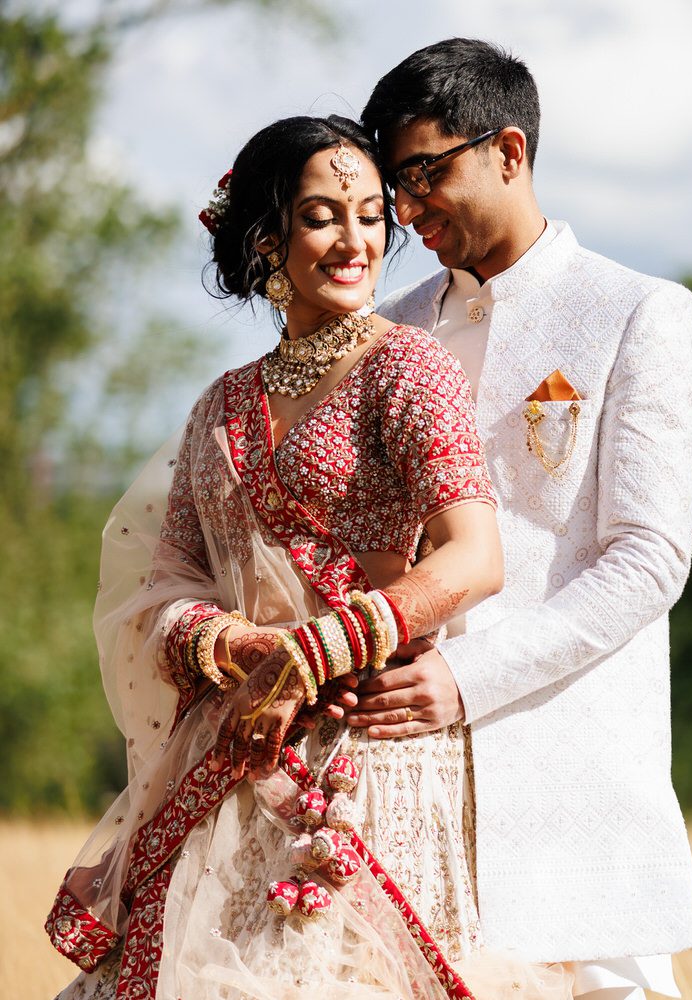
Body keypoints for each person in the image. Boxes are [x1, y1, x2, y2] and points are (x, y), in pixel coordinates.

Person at [45, 114, 570, 999]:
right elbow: (166, 582)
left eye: (371, 217)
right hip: (236, 751)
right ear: (266, 239)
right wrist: (242, 646)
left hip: (365, 757)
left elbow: (474, 556)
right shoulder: (222, 404)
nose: (356, 241)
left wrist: (316, 650)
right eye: (323, 216)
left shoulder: (409, 370)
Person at [352, 38, 692, 998]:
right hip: (396, 782)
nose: (407, 211)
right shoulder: (384, 331)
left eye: (426, 173)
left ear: (508, 151)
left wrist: (465, 678)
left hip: (571, 791)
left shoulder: (637, 313)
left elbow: (648, 560)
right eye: (395, 185)